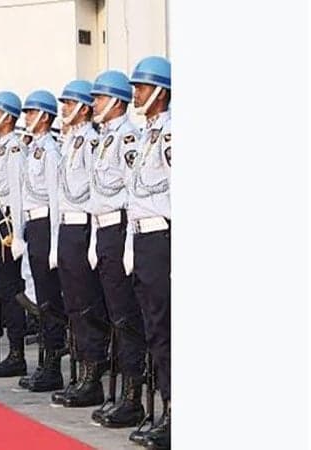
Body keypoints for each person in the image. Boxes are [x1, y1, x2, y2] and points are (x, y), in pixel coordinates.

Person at [87, 70, 148, 428]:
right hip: (105, 232)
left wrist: (125, 244)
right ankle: (123, 391)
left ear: (116, 101)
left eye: (99, 97)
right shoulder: (106, 138)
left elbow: (130, 195)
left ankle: (133, 397)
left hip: (123, 230)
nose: (95, 103)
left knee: (127, 317)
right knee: (115, 315)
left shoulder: (128, 138)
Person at [50, 80, 110, 408]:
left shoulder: (90, 142)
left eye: (69, 102)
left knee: (87, 305)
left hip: (84, 227)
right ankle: (81, 370)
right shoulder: (71, 141)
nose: (63, 109)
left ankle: (93, 375)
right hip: (67, 229)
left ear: (83, 108)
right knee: (73, 304)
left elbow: (93, 191)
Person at [126, 56, 171, 450]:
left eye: (141, 87)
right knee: (154, 328)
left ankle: (174, 413)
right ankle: (165, 409)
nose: (136, 93)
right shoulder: (146, 135)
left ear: (160, 92)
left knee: (167, 329)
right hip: (142, 240)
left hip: (163, 241)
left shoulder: (172, 134)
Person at [15, 90, 68, 393]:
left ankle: (52, 367)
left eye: (31, 112)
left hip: (47, 224)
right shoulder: (33, 148)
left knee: (49, 300)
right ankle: (45, 364)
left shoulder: (49, 150)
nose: (26, 118)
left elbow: (55, 198)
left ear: (45, 117)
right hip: (34, 224)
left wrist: (54, 242)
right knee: (39, 298)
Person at [0, 91, 29, 378]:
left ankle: (17, 353)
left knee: (12, 291)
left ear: (8, 116)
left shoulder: (14, 149)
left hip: (7, 230)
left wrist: (17, 232)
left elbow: (16, 193)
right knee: (3, 289)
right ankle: (11, 350)